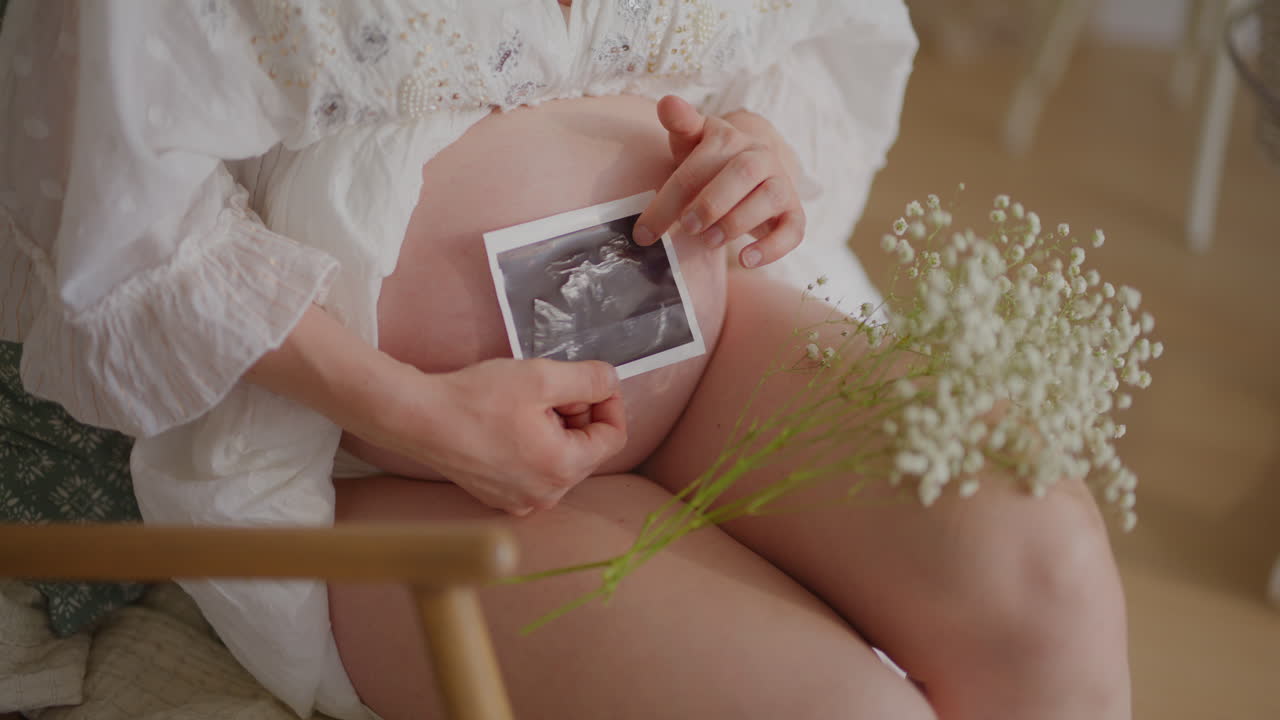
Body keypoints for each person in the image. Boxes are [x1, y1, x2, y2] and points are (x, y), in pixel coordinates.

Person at [0, 2, 1131, 719]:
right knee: (836, 708)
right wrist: (409, 412)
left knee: (1045, 565)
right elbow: (117, 222)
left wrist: (763, 157)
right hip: (378, 464)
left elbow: (808, 52)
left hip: (712, 343)